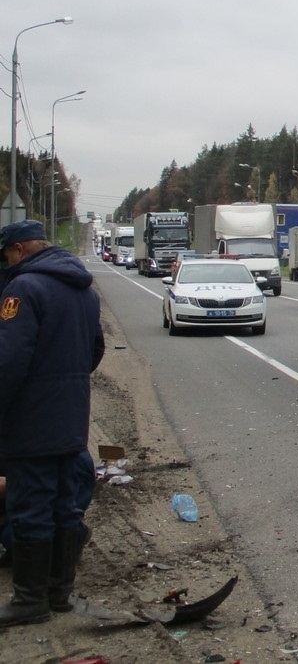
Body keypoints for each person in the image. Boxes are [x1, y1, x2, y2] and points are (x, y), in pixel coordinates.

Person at [0, 220, 104, 627]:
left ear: (19, 249)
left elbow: (9, 361)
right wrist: (67, 382)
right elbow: (95, 349)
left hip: (32, 418)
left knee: (30, 505)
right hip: (71, 415)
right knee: (64, 503)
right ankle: (58, 593)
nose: (6, 263)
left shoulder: (23, 289)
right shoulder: (83, 290)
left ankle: (29, 600)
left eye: (6, 255)